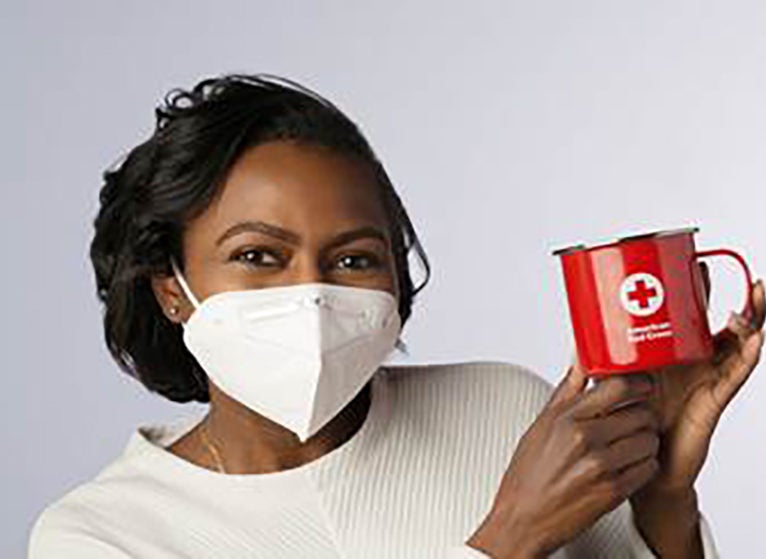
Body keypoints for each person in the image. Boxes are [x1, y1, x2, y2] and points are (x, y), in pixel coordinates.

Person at [28, 73, 764, 559]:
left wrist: (664, 497)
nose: (311, 293)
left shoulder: (506, 408)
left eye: (352, 258)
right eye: (258, 256)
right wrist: (507, 539)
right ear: (170, 285)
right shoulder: (102, 535)